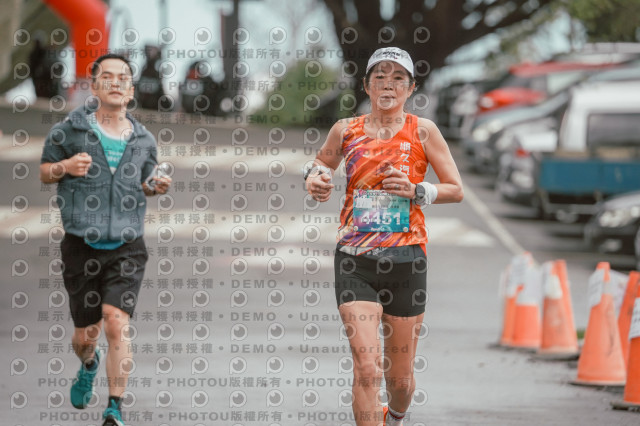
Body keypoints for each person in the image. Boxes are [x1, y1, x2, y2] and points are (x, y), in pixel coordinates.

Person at [304, 47, 463, 426]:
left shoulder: (423, 131)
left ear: (411, 88)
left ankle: (395, 417)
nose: (388, 85)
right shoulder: (346, 129)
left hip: (407, 260)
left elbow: (456, 189)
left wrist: (417, 190)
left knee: (400, 380)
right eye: (380, 77)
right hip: (354, 260)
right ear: (366, 86)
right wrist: (314, 177)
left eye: (397, 78)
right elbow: (321, 162)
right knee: (367, 368)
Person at [40, 53, 171, 426]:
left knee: (116, 322)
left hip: (128, 246)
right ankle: (89, 363)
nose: (116, 82)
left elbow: (146, 183)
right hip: (81, 245)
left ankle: (115, 407)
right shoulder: (69, 131)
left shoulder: (144, 139)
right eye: (107, 77)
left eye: (123, 78)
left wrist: (155, 186)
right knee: (86, 336)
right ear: (94, 87)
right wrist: (65, 167)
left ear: (130, 90)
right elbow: (45, 171)